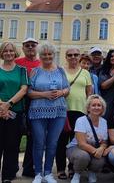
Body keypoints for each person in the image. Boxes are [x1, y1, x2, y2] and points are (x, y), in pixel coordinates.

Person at [28, 43, 70, 183]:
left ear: (53, 55)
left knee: (53, 143)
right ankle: (38, 173)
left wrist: (61, 92)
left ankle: (48, 173)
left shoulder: (60, 71)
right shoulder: (35, 71)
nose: (47, 56)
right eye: (44, 54)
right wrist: (44, 94)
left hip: (58, 111)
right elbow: (28, 92)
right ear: (40, 56)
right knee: (39, 142)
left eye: (49, 54)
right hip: (38, 112)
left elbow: (67, 89)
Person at [55, 48, 92, 179]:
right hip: (63, 111)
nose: (73, 57)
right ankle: (60, 169)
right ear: (66, 57)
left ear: (79, 56)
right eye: (70, 55)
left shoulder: (85, 73)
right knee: (61, 141)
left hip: (80, 112)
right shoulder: (60, 71)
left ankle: (72, 168)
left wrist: (89, 110)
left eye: (76, 55)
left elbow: (89, 92)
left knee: (76, 142)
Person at [0, 42, 29, 183]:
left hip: (15, 112)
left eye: (11, 51)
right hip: (0, 111)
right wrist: (2, 107)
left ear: (15, 52)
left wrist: (8, 104)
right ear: (1, 53)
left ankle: (8, 175)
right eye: (5, 51)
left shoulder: (21, 70)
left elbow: (23, 90)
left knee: (12, 145)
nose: (9, 53)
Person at [66, 95, 108, 183]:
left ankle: (92, 172)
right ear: (88, 108)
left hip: (93, 148)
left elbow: (104, 141)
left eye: (99, 105)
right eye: (93, 105)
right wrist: (96, 152)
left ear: (102, 108)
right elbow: (81, 143)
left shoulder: (104, 122)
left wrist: (101, 148)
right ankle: (77, 174)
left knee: (101, 160)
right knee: (83, 157)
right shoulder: (81, 120)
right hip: (77, 148)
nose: (96, 107)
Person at [15, 38, 41, 178]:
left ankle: (28, 167)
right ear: (23, 48)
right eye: (27, 45)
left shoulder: (41, 64)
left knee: (33, 137)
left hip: (35, 102)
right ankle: (12, 167)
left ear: (37, 48)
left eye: (33, 45)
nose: (30, 48)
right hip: (19, 102)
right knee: (15, 136)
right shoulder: (17, 63)